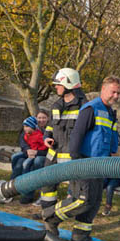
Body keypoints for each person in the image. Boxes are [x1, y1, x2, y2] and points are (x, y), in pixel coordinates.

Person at [43, 76, 120, 241]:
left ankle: (80, 236)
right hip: (85, 163)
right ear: (103, 90)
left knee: (93, 203)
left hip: (101, 165)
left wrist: (117, 151)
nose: (116, 96)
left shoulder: (110, 113)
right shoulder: (91, 109)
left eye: (118, 93)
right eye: (113, 92)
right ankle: (51, 218)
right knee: (82, 200)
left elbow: (113, 137)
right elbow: (76, 137)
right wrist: (76, 162)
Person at [39, 68, 87, 212]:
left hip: (72, 157)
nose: (56, 87)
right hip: (53, 154)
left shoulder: (84, 106)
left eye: (58, 84)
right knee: (47, 185)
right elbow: (50, 126)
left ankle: (60, 215)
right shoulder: (56, 105)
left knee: (74, 191)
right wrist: (46, 137)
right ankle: (47, 212)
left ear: (68, 84)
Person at [11, 115, 48, 204]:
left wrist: (36, 152)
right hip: (29, 153)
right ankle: (11, 188)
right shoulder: (27, 134)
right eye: (39, 118)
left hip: (38, 155)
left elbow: (46, 147)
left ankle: (27, 191)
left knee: (27, 165)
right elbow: (23, 143)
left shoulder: (42, 134)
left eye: (44, 118)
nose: (41, 120)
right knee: (16, 159)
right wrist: (28, 150)